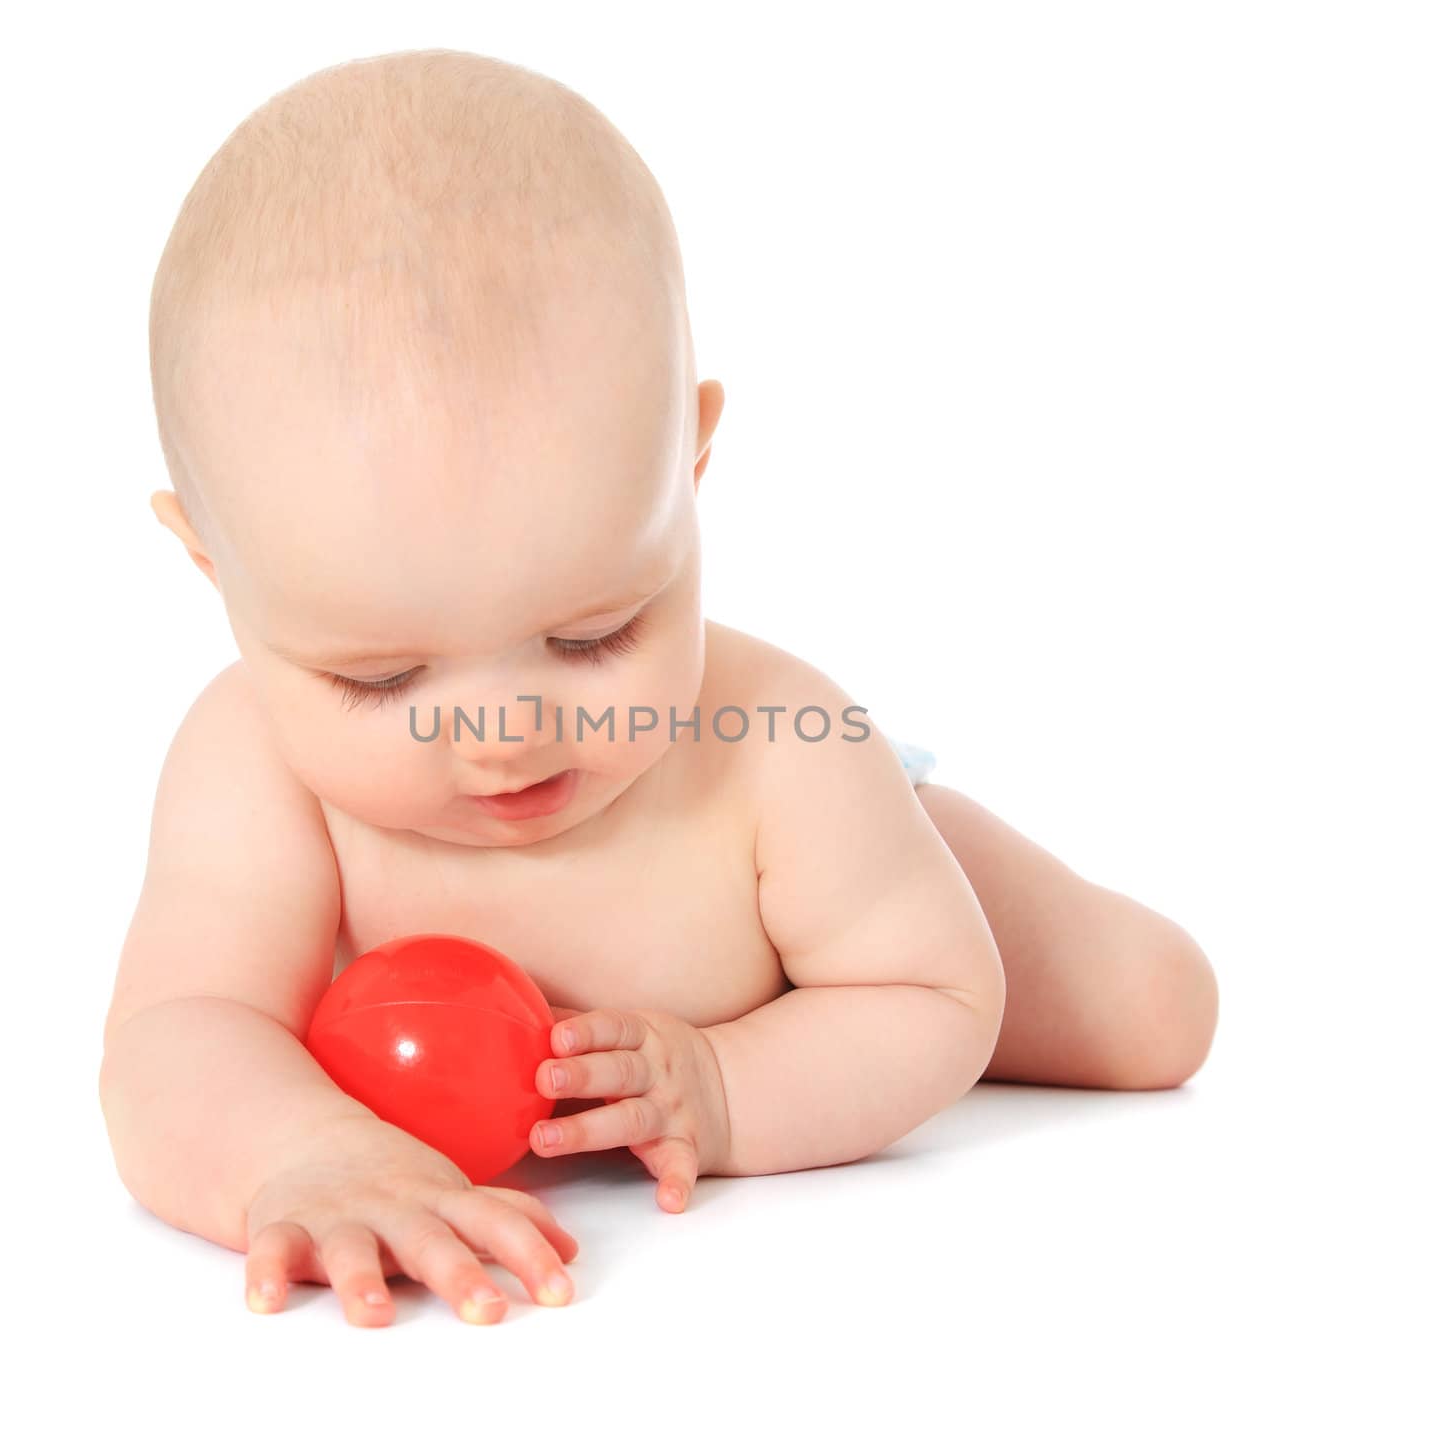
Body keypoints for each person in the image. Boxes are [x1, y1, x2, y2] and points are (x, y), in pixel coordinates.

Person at [99, 48, 1218, 1329]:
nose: (505, 737)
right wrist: (299, 1153)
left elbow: (932, 999)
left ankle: (929, 838)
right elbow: (177, 1034)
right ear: (211, 564)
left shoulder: (777, 753)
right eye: (382, 676)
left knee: (1154, 1014)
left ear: (688, 461)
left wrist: (729, 1084)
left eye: (592, 635)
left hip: (829, 879)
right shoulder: (250, 764)